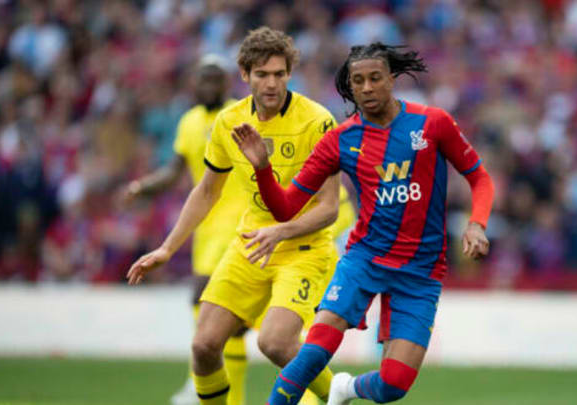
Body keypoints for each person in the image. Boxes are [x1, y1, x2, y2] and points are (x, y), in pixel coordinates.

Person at [232, 42, 495, 405]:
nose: (367, 87)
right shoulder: (340, 140)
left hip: (421, 270)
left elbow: (480, 177)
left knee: (393, 386)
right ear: (350, 86)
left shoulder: (432, 123)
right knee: (312, 353)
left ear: (391, 79)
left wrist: (477, 224)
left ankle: (344, 389)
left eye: (375, 78)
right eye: (359, 81)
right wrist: (263, 168)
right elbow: (286, 207)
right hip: (364, 259)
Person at [126, 27, 342, 405]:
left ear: (290, 73)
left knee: (275, 343)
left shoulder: (317, 121)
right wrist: (167, 248)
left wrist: (282, 231)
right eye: (261, 74)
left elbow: (329, 207)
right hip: (250, 246)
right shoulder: (229, 122)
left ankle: (339, 394)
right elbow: (207, 190)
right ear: (245, 75)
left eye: (279, 74)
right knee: (204, 346)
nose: (271, 83)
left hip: (303, 249)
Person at [119, 54, 249, 405]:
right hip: (205, 229)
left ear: (227, 82)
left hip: (241, 224)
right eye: (202, 79)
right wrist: (142, 187)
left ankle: (203, 380)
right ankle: (213, 382)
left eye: (214, 79)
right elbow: (175, 170)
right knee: (223, 321)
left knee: (206, 300)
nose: (208, 86)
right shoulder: (190, 121)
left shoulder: (242, 115)